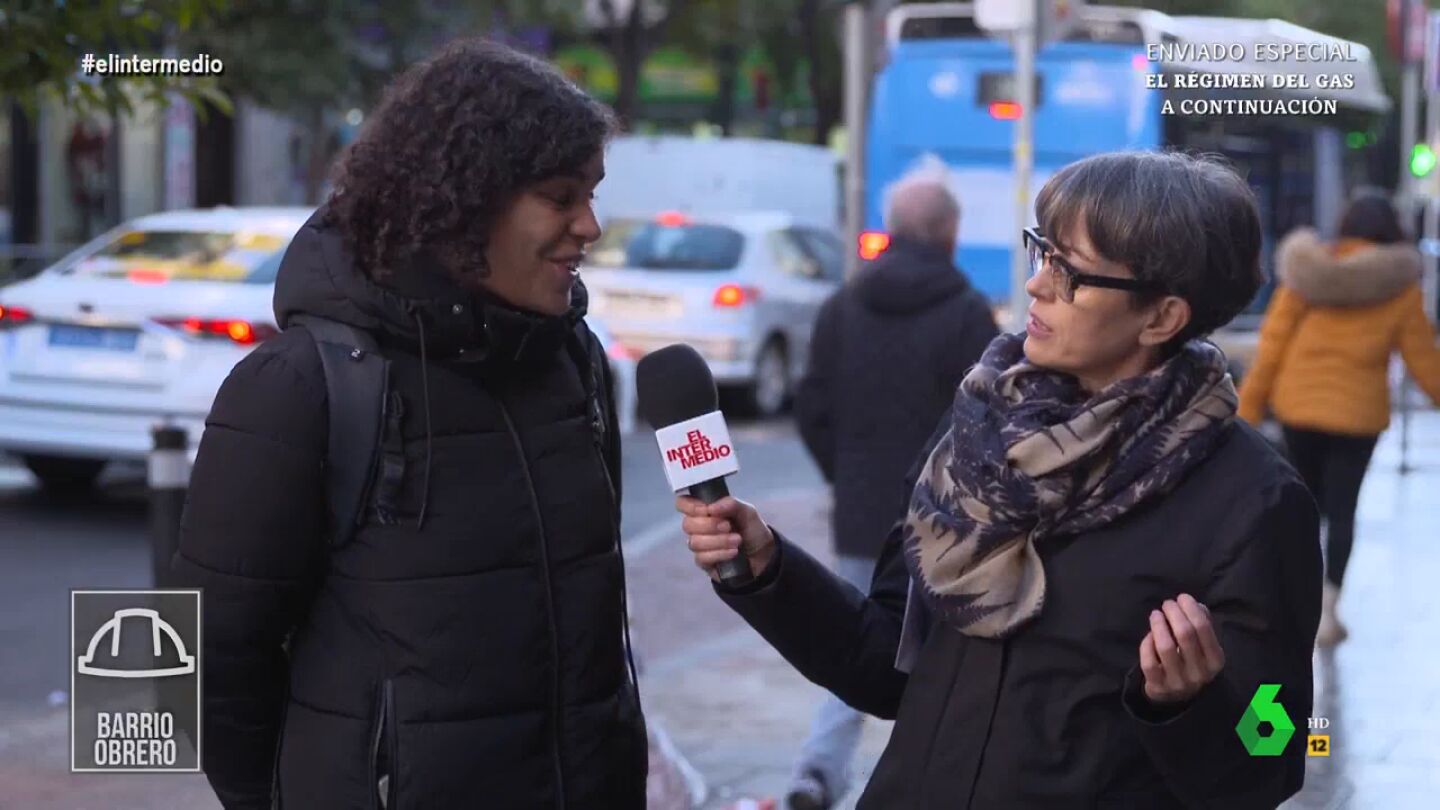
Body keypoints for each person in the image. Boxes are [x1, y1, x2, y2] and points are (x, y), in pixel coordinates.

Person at [678, 151, 1322, 808]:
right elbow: (888, 667)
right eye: (1044, 252)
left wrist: (1186, 705)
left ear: (1161, 317)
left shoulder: (1254, 502)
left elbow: (1277, 744)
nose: (1037, 285)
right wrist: (770, 571)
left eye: (1071, 273)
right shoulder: (978, 435)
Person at [174, 40, 647, 809]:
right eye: (561, 197)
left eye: (591, 194)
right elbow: (206, 657)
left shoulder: (574, 362)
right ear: (467, 202)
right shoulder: (302, 387)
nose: (589, 225)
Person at [787, 168, 996, 810]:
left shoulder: (842, 305)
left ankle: (817, 771)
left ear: (894, 229)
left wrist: (843, 473)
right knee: (955, 657)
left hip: (861, 509)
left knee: (857, 640)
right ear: (950, 232)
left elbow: (811, 405)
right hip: (949, 521)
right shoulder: (969, 314)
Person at [1238, 190, 1440, 647]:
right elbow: (1425, 363)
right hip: (1357, 417)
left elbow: (1271, 348)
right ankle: (1328, 610)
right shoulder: (1399, 288)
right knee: (1344, 510)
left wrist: (1247, 411)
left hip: (1299, 408)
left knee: (1302, 507)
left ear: (1344, 226)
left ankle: (1294, 598)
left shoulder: (1307, 275)